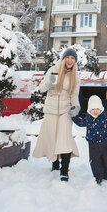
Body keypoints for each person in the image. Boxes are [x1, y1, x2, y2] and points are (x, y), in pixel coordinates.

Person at [32, 48, 80, 182]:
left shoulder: (75, 75)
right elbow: (42, 88)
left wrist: (75, 107)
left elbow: (74, 95)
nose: (70, 61)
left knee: (64, 138)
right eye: (68, 57)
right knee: (52, 138)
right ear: (63, 58)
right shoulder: (53, 69)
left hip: (65, 110)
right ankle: (54, 163)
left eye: (73, 58)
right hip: (51, 109)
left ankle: (64, 171)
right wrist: (50, 82)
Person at [71, 95, 107, 185]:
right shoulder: (88, 119)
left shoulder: (105, 117)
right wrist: (73, 115)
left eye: (97, 109)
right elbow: (80, 122)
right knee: (95, 161)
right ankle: (98, 177)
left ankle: (106, 171)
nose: (95, 111)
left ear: (101, 108)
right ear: (89, 110)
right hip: (93, 144)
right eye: (92, 109)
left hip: (105, 142)